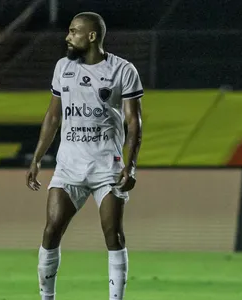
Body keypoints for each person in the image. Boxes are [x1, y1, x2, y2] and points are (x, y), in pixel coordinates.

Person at [26, 12, 143, 300]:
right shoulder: (62, 67)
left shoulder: (123, 70)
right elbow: (53, 116)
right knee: (51, 230)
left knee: (113, 235)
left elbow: (133, 122)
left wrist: (131, 165)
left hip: (107, 168)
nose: (68, 36)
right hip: (68, 167)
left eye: (73, 31)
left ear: (91, 36)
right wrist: (37, 157)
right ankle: (47, 298)